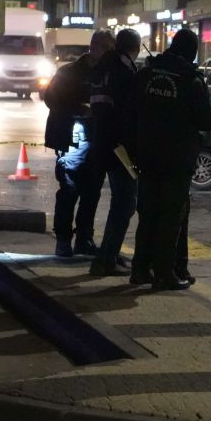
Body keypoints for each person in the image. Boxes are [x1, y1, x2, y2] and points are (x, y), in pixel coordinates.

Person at [128, 29, 211, 291]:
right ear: (191, 52)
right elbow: (209, 120)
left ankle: (140, 269)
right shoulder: (190, 81)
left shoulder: (145, 74)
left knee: (147, 213)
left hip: (146, 154)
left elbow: (130, 111)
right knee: (171, 215)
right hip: (177, 159)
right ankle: (165, 273)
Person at [45, 29, 114, 258]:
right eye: (107, 49)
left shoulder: (106, 73)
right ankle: (64, 240)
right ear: (96, 47)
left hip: (98, 138)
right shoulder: (70, 71)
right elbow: (50, 98)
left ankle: (84, 239)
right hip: (74, 137)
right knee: (69, 189)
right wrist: (80, 109)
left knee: (92, 191)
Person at [85, 28, 141, 277]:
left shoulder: (102, 67)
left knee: (121, 201)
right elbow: (129, 111)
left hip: (101, 142)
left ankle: (109, 253)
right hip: (119, 147)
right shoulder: (124, 69)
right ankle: (105, 259)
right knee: (126, 202)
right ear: (135, 48)